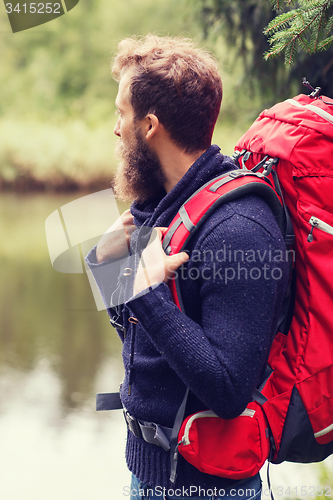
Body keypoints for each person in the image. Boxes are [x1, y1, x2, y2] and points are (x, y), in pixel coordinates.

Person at [86, 35, 289, 500]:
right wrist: (108, 267)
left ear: (151, 125)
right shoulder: (167, 206)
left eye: (122, 114)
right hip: (151, 470)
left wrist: (138, 285)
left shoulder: (239, 229)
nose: (116, 128)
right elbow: (148, 345)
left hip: (201, 487)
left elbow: (228, 387)